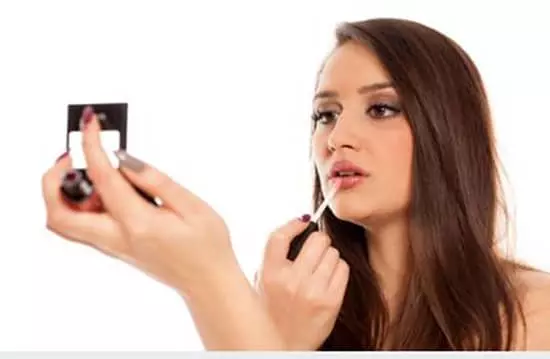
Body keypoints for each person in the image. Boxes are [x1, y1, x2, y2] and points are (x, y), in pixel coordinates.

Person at [41, 17, 550, 350]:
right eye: (325, 115)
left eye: (381, 108)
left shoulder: (531, 312)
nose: (337, 139)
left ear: (450, 131)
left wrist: (211, 283)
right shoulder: (293, 303)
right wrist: (272, 331)